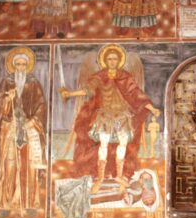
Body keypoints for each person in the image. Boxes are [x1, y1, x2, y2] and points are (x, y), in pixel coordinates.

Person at [60, 44, 161, 193]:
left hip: (123, 116)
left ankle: (119, 176)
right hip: (105, 116)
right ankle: (100, 177)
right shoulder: (100, 76)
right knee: (103, 145)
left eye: (115, 59)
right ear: (105, 61)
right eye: (109, 59)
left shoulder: (125, 76)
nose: (112, 61)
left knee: (123, 145)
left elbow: (136, 93)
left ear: (119, 61)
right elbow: (88, 90)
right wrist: (70, 94)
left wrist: (152, 108)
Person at [0, 47, 47, 213]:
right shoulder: (6, 82)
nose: (21, 68)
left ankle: (29, 203)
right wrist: (8, 99)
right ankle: (6, 203)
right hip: (11, 128)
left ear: (27, 66)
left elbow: (41, 105)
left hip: (29, 129)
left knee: (29, 166)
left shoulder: (33, 83)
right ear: (13, 66)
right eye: (18, 64)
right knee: (9, 165)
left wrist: (33, 121)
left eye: (23, 65)